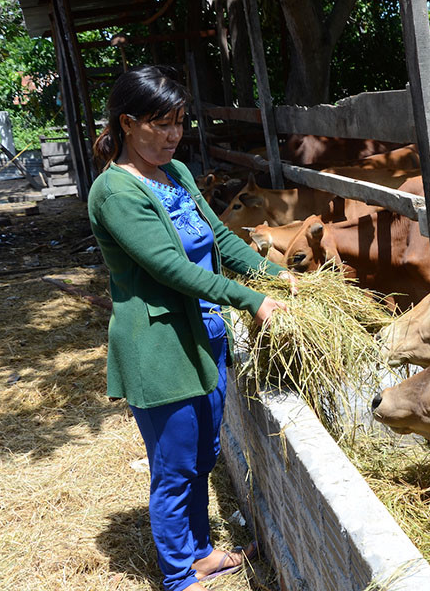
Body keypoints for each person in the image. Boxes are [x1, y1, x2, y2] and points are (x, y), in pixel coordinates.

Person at [88, 65, 293, 591]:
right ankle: (179, 575)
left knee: (203, 454)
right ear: (127, 123)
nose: (174, 135)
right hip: (160, 343)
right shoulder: (115, 192)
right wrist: (250, 299)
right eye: (161, 124)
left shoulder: (175, 172)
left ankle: (200, 553)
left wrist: (275, 275)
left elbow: (218, 238)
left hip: (206, 333)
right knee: (175, 465)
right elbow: (170, 268)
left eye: (179, 122)